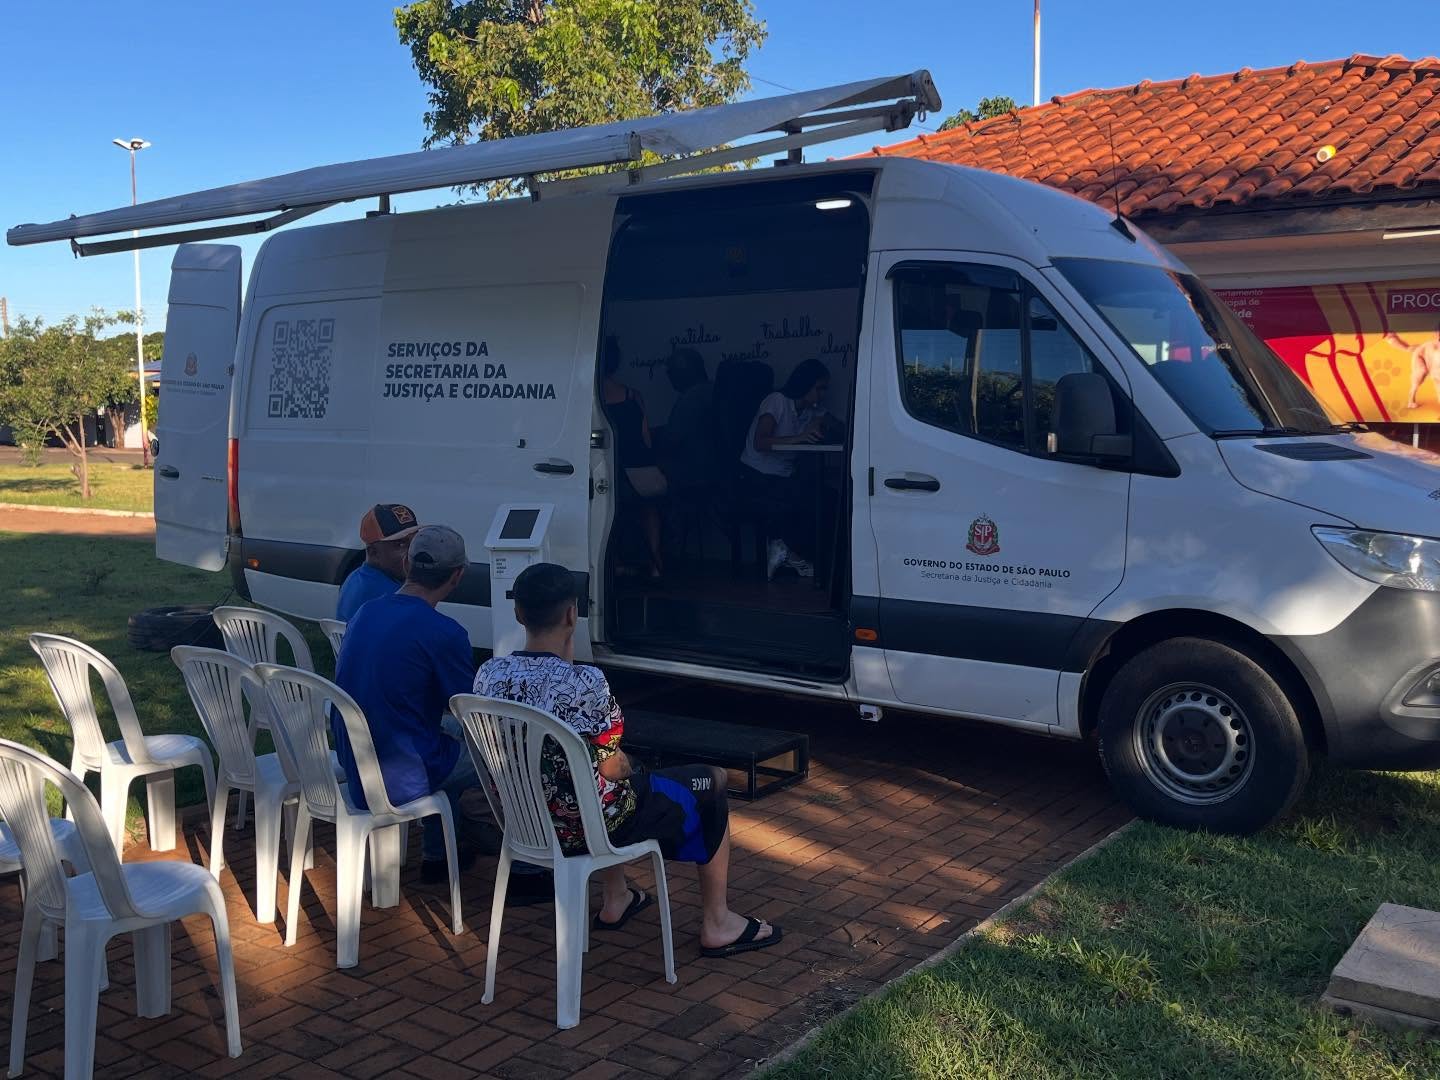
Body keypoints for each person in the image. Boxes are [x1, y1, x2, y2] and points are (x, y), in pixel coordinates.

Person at [474, 562, 781, 958]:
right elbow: (611, 767)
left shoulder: (489, 676)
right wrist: (632, 766)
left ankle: (617, 897)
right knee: (713, 781)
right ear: (572, 614)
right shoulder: (585, 683)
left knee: (589, 784)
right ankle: (718, 922)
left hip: (526, 825)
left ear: (518, 614)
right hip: (594, 827)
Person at [334, 524, 485, 882]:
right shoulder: (445, 632)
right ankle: (527, 864)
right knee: (507, 755)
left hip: (355, 758)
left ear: (407, 564)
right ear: (458, 575)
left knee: (446, 736)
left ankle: (441, 853)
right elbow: (472, 713)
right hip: (398, 773)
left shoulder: (364, 613)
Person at [738, 358, 838, 580]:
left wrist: (826, 426)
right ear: (805, 384)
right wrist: (800, 438)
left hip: (783, 477)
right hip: (755, 476)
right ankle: (789, 552)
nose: (822, 394)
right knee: (805, 500)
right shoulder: (777, 401)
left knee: (829, 497)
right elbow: (761, 442)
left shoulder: (813, 412)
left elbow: (838, 425)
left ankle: (799, 553)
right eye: (818, 388)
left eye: (825, 389)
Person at [601, 336, 667, 577]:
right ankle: (655, 563)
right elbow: (646, 438)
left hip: (612, 470)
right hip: (641, 471)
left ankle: (615, 562)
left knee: (609, 512)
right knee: (650, 510)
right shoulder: (632, 396)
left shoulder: (592, 398)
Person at [336, 503, 421, 622]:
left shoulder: (355, 577)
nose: (412, 551)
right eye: (401, 544)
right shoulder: (390, 596)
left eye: (415, 541)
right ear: (373, 552)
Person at [656, 348, 715, 494]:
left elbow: (670, 441)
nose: (670, 377)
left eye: (672, 372)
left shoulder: (691, 398)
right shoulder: (714, 389)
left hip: (695, 474)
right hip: (715, 469)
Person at [1384, 327, 1440, 410]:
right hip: (1421, 356)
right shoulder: (1434, 350)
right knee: (1420, 373)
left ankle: (1391, 338)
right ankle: (1411, 399)